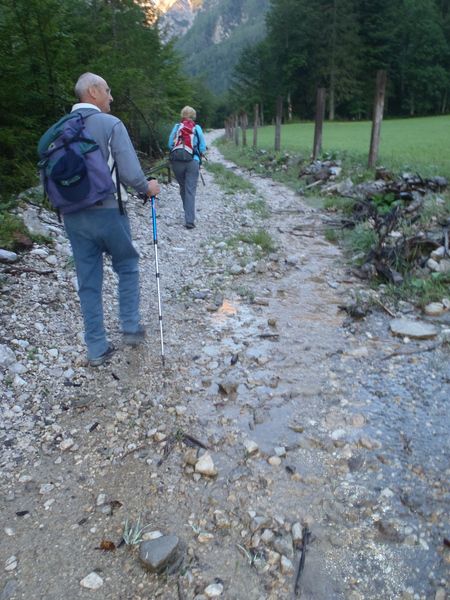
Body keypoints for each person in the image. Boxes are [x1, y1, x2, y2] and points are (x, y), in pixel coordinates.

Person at [60, 72, 160, 367]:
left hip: (73, 216)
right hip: (108, 211)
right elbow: (130, 173)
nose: (111, 96)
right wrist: (148, 187)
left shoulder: (60, 129)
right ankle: (130, 328)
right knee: (127, 265)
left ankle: (97, 348)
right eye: (107, 90)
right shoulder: (110, 124)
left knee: (88, 280)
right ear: (92, 91)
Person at [168, 106, 206, 229]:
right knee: (190, 190)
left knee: (183, 187)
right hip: (192, 161)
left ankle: (187, 212)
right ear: (193, 116)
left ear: (182, 115)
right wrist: (198, 154)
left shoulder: (177, 127)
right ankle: (189, 219)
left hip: (177, 162)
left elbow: (169, 144)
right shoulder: (197, 128)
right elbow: (202, 147)